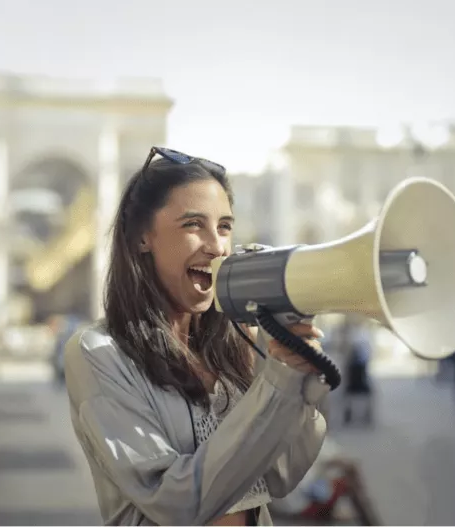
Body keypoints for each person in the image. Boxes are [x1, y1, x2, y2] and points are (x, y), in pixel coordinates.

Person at [64, 147, 329, 526]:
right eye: (193, 225)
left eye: (224, 226)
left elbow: (280, 474)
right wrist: (277, 383)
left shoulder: (238, 341)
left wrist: (300, 378)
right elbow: (175, 503)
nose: (217, 245)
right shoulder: (98, 353)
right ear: (142, 237)